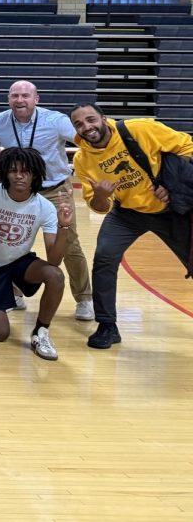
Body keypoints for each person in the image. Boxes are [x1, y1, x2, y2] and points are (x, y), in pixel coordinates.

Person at [70, 103, 193, 350]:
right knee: (104, 257)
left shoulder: (139, 129)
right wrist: (103, 195)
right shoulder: (83, 160)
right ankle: (107, 325)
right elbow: (99, 207)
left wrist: (172, 183)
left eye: (91, 119)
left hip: (171, 211)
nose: (87, 127)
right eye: (79, 124)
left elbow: (187, 146)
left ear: (104, 119)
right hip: (127, 214)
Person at [0, 81, 92, 321]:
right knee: (8, 239)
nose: (20, 100)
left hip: (54, 188)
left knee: (70, 243)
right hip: (18, 191)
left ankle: (84, 299)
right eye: (14, 95)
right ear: (8, 99)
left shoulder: (56, 120)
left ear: (37, 99)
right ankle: (13, 293)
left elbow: (85, 141)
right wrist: (5, 171)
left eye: (25, 95)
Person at [0, 147, 67, 361]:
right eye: (13, 171)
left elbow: (54, 260)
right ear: (5, 172)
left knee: (55, 275)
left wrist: (64, 227)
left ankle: (41, 332)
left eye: (26, 171)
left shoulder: (45, 207)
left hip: (18, 261)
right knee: (0, 334)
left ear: (35, 174)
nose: (19, 176)